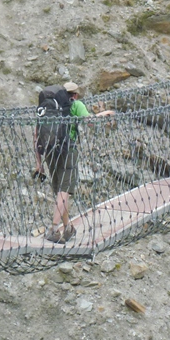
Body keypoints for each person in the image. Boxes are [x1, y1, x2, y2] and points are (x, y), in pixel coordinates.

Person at [35, 81, 115, 244]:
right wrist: (104, 113)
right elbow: (89, 121)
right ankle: (54, 229)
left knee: (59, 191)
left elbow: (36, 136)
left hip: (50, 151)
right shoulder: (76, 105)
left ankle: (68, 227)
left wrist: (39, 164)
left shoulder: (46, 108)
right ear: (75, 94)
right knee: (64, 191)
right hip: (67, 151)